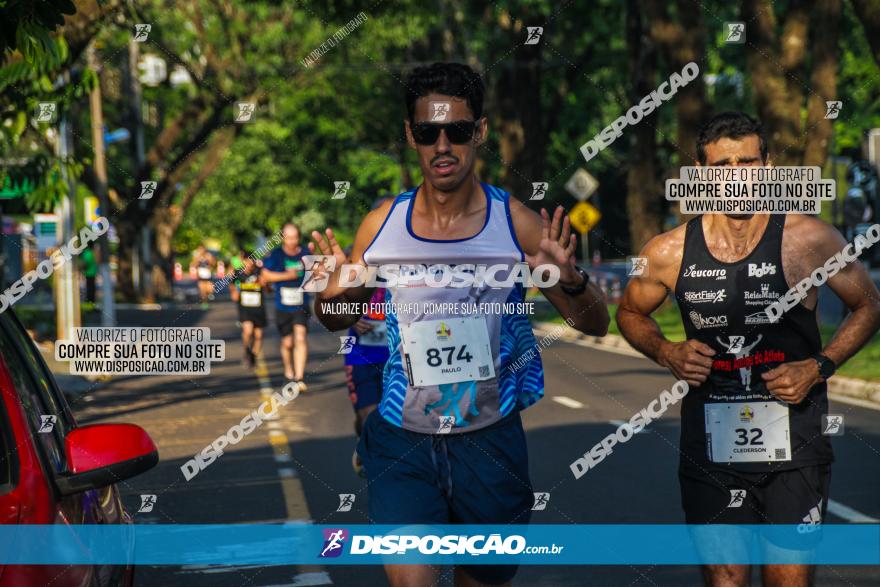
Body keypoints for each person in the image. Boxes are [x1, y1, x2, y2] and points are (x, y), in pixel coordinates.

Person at [309, 62, 609, 587]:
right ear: (411, 136)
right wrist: (337, 293)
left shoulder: (513, 221)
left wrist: (572, 280)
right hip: (402, 438)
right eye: (428, 132)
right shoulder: (382, 224)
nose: (443, 145)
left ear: (481, 132)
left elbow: (594, 322)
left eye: (458, 131)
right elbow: (337, 320)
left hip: (488, 443)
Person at [616, 111, 880, 587]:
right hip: (711, 448)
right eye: (723, 167)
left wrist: (820, 366)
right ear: (700, 174)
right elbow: (630, 313)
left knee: (788, 581)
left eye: (749, 163)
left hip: (795, 444)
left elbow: (868, 304)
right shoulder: (668, 252)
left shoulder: (810, 239)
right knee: (726, 581)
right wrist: (667, 352)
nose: (737, 177)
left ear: (768, 165)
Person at [262, 223, 310, 388]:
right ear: (283, 238)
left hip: (301, 305)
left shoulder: (305, 253)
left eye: (295, 237)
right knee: (287, 343)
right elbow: (266, 276)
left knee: (301, 337)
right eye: (289, 237)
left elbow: (317, 272)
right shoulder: (276, 255)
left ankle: (299, 377)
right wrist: (286, 275)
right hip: (282, 305)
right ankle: (288, 372)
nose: (292, 241)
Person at [230, 253, 267, 369]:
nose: (249, 264)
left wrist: (265, 285)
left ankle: (253, 356)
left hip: (258, 308)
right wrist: (234, 292)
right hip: (245, 308)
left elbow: (269, 289)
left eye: (251, 261)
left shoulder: (260, 272)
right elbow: (231, 285)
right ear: (243, 261)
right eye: (247, 261)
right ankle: (247, 350)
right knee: (248, 331)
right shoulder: (237, 273)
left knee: (259, 336)